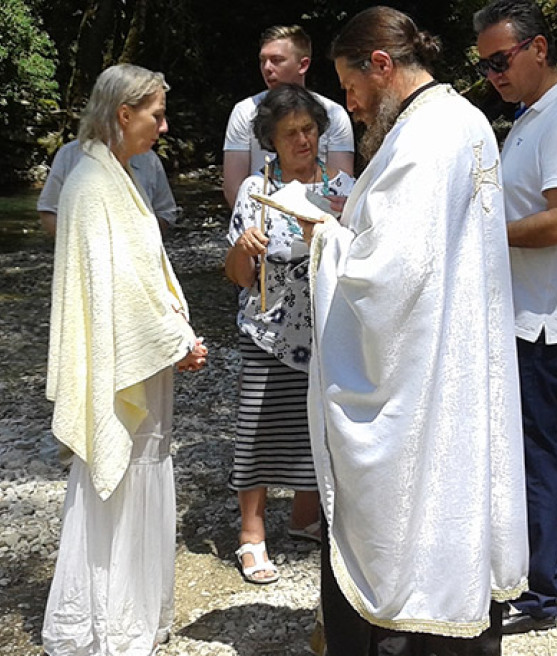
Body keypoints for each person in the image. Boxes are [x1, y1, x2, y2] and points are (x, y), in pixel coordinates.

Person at [302, 7, 528, 653]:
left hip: (426, 373)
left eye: (351, 87)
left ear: (381, 64)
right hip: (458, 352)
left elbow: (388, 278)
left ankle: (402, 622)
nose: (352, 104)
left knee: (412, 516)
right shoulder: (464, 119)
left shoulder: (424, 136)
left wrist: (326, 240)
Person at [41, 63, 208, 655]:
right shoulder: (90, 183)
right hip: (124, 361)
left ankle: (130, 613)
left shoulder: (116, 172)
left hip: (139, 356)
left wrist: (173, 331)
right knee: (121, 473)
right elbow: (113, 289)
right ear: (124, 113)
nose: (163, 126)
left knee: (140, 470)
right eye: (157, 114)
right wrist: (177, 340)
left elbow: (137, 276)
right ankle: (110, 622)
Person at [474, 0, 557, 635]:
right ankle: (523, 572)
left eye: (501, 60)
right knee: (520, 449)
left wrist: (480, 235)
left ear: (539, 48)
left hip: (546, 318)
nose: (494, 74)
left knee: (535, 451)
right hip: (523, 311)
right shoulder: (533, 115)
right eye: (485, 66)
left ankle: (541, 591)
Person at [223, 83, 354, 585]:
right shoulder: (257, 195)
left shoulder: (344, 189)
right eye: (290, 133)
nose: (303, 140)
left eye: (309, 129)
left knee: (318, 428)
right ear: (270, 142)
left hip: (326, 329)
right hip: (267, 330)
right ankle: (251, 534)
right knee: (256, 429)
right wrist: (243, 248)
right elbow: (236, 275)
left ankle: (305, 517)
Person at [222, 25, 355, 208]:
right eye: (263, 61)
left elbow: (342, 188)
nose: (267, 68)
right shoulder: (244, 112)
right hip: (261, 215)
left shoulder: (334, 113)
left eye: (277, 60)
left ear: (303, 65)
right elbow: (233, 187)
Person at [37, 139, 179, 237]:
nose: (163, 127)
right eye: (155, 116)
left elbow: (166, 212)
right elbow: (48, 210)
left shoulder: (149, 159)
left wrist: (142, 239)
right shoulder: (69, 154)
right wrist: (77, 245)